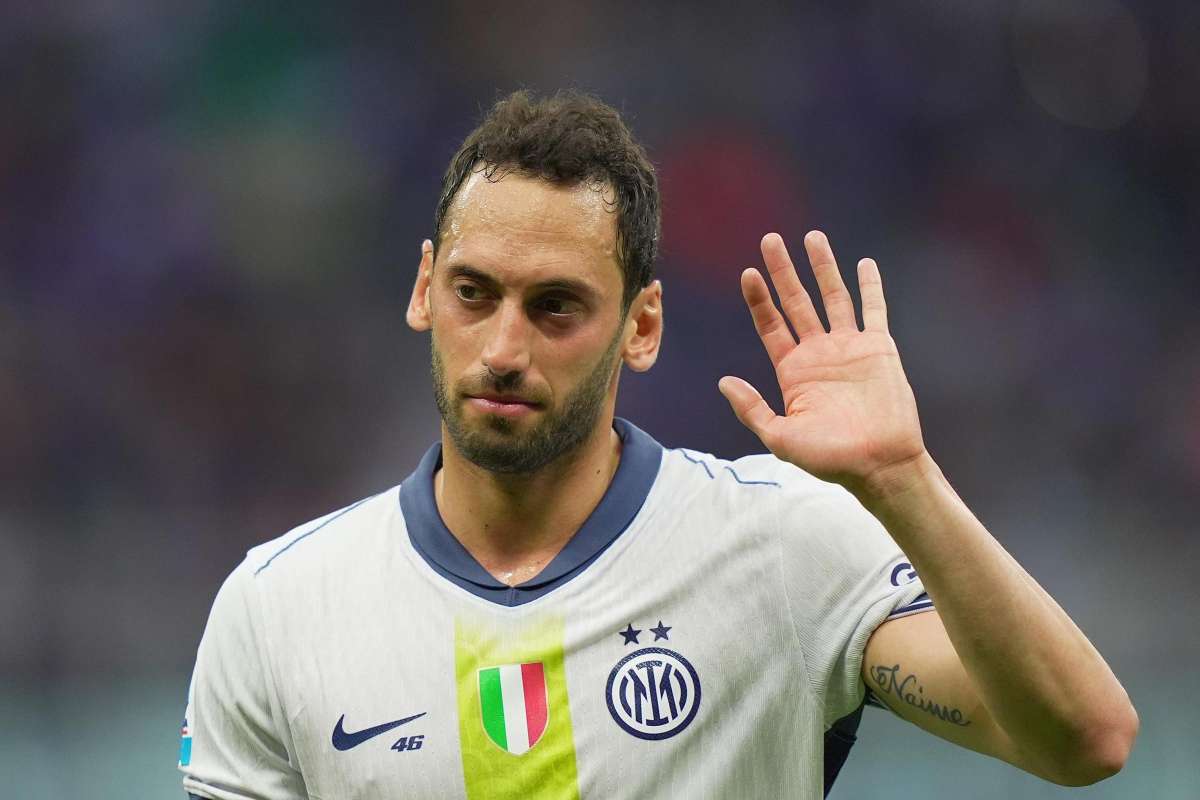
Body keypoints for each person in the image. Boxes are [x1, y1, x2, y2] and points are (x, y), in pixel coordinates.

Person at [179, 91, 1137, 800]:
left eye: (556, 306)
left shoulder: (783, 546)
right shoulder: (278, 608)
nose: (503, 348)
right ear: (426, 288)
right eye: (475, 293)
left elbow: (1083, 741)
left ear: (642, 327)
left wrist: (904, 481)